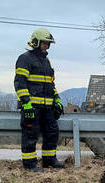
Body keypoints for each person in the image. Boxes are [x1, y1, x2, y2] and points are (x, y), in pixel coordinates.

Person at [14, 28, 64, 172]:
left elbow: (50, 84)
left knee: (52, 133)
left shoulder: (46, 61)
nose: (47, 46)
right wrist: (26, 103)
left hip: (47, 108)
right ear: (35, 42)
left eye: (48, 44)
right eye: (44, 43)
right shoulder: (25, 58)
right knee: (30, 136)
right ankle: (30, 164)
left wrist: (57, 99)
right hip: (31, 107)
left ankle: (49, 160)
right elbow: (20, 82)